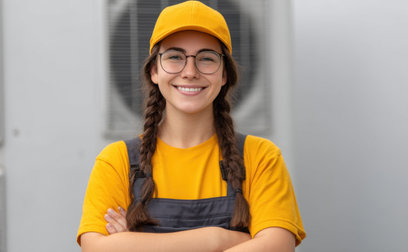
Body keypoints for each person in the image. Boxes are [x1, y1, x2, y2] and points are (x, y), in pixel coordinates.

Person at [77, 1, 305, 251]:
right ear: (154, 71)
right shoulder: (116, 161)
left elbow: (278, 247)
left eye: (206, 58)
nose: (190, 71)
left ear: (224, 75)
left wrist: (134, 243)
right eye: (175, 57)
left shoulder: (261, 158)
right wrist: (218, 239)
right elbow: (95, 247)